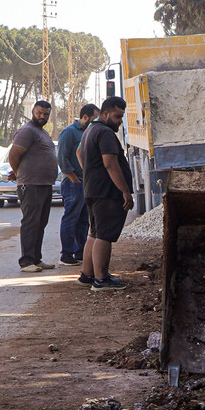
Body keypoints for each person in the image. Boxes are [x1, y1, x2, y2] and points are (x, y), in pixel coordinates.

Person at [77, 96, 132, 291]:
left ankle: (87, 274)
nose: (119, 121)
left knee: (95, 232)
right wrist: (125, 191)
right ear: (106, 113)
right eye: (117, 116)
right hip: (107, 193)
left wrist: (90, 172)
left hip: (93, 190)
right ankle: (101, 280)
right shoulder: (106, 133)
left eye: (122, 117)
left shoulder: (90, 130)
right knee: (105, 235)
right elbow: (110, 163)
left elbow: (78, 153)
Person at [6, 99, 59, 272]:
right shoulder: (27, 131)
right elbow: (14, 155)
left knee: (40, 222)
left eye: (45, 114)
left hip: (44, 184)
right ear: (33, 112)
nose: (42, 116)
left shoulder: (41, 132)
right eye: (39, 113)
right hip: (30, 184)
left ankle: (36, 258)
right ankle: (26, 261)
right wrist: (19, 172)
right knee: (30, 222)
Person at [56, 102, 96, 265]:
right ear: (85, 117)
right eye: (93, 120)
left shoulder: (88, 132)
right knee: (71, 218)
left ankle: (80, 252)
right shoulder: (69, 132)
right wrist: (74, 179)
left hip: (84, 182)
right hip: (73, 183)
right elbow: (62, 158)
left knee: (83, 219)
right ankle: (66, 254)